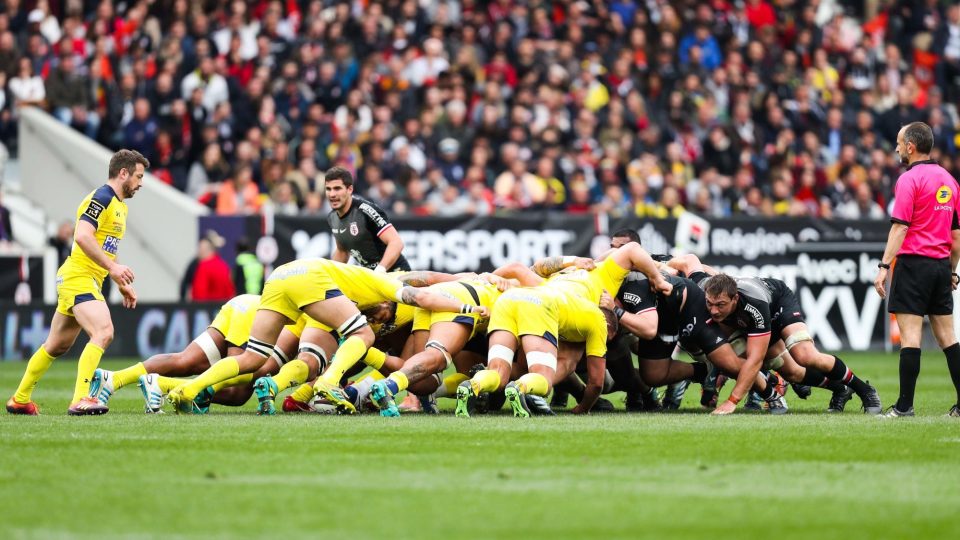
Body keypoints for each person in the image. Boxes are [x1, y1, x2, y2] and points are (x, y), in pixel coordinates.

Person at [165, 258, 488, 414]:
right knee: (361, 333)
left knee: (254, 358)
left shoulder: (349, 293)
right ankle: (328, 384)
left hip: (281, 276)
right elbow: (424, 292)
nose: (378, 317)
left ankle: (187, 390)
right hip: (310, 279)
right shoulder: (387, 284)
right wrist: (467, 306)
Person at [6, 149, 147, 415]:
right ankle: (81, 398)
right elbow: (82, 236)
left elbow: (105, 248)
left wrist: (118, 281)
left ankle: (20, 399)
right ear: (123, 173)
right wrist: (114, 268)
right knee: (104, 331)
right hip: (78, 277)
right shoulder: (102, 197)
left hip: (85, 278)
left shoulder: (121, 206)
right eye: (138, 177)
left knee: (57, 345)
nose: (140, 184)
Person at [875, 122, 960, 417]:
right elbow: (957, 237)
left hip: (913, 265)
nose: (896, 148)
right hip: (940, 267)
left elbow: (900, 227)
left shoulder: (909, 180)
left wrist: (884, 266)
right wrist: (951, 271)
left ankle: (904, 407)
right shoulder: (950, 181)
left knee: (910, 338)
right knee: (949, 339)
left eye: (899, 143)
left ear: (911, 147)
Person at [703, 274, 881, 415]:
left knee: (805, 356)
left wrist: (732, 401)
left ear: (735, 299)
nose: (713, 311)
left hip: (777, 305)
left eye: (720, 305)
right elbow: (691, 262)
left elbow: (755, 359)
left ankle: (864, 389)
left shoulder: (753, 303)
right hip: (746, 321)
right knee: (792, 373)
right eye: (710, 304)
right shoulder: (705, 286)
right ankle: (841, 388)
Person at [325, 166, 410, 272]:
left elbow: (396, 242)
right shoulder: (332, 217)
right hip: (370, 277)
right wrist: (329, 273)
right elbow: (342, 251)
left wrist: (380, 270)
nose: (332, 194)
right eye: (328, 189)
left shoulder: (365, 211)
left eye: (337, 188)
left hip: (396, 272)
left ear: (350, 189)